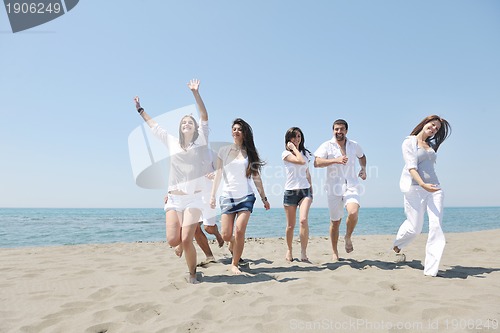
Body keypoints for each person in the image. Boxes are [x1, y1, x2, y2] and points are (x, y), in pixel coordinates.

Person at [133, 79, 209, 284]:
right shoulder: (172, 142)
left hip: (194, 199)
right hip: (174, 200)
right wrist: (141, 110)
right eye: (184, 122)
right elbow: (155, 127)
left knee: (186, 240)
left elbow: (204, 116)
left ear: (194, 128)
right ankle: (182, 244)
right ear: (180, 127)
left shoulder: (201, 142)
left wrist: (195, 93)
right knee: (173, 240)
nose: (187, 124)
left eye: (189, 123)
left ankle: (193, 274)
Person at [210, 118, 270, 275]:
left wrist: (264, 198)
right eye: (234, 129)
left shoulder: (250, 153)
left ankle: (234, 263)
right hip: (227, 196)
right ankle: (233, 244)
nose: (236, 131)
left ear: (244, 134)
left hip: (246, 197)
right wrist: (212, 196)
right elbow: (218, 175)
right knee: (226, 235)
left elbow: (256, 177)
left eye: (239, 129)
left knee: (239, 230)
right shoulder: (223, 151)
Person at [393, 115, 451, 277]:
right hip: (414, 189)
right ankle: (398, 243)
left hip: (435, 189)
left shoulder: (429, 145)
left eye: (437, 128)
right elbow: (412, 168)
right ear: (425, 123)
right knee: (415, 228)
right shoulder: (408, 142)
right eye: (432, 125)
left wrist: (429, 186)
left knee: (436, 226)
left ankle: (431, 270)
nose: (433, 129)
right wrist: (423, 185)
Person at [314, 119, 367, 261]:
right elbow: (316, 162)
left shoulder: (354, 145)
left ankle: (348, 237)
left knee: (353, 212)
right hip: (333, 188)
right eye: (336, 129)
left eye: (342, 129)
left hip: (351, 185)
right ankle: (334, 252)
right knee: (335, 222)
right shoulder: (327, 145)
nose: (339, 132)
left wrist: (363, 169)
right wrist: (335, 160)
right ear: (333, 131)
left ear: (346, 131)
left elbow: (362, 157)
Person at [282, 127, 313, 262]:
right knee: (290, 225)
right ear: (288, 139)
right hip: (290, 192)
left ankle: (303, 252)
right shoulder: (285, 154)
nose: (296, 139)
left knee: (303, 220)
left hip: (305, 191)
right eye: (293, 137)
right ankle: (289, 250)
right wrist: (293, 148)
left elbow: (306, 171)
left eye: (299, 136)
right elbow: (300, 161)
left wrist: (311, 189)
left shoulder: (306, 153)